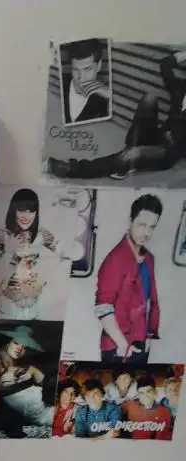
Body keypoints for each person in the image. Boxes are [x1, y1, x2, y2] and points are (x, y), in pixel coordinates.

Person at [49, 49, 186, 180]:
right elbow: (166, 64)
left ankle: (72, 168)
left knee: (134, 154)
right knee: (150, 98)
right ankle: (128, 155)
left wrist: (175, 139)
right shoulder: (180, 87)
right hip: (159, 134)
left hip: (167, 150)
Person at [95, 194, 161, 364]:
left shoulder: (149, 259)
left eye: (152, 227)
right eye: (142, 225)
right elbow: (103, 308)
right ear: (130, 221)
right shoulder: (115, 260)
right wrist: (123, 345)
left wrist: (149, 337)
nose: (147, 233)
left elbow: (150, 301)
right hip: (118, 348)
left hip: (141, 343)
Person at [0, 188, 63, 321]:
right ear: (13, 210)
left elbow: (59, 262)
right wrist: (9, 251)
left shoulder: (44, 236)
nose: (26, 216)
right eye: (21, 210)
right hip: (8, 307)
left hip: (35, 306)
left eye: (31, 211)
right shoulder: (2, 235)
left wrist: (39, 258)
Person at [0, 325, 54, 428]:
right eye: (16, 343)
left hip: (46, 408)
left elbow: (49, 389)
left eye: (24, 347)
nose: (20, 348)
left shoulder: (28, 368)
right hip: (37, 415)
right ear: (8, 344)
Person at [61, 38, 111, 125]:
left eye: (87, 69)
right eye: (76, 69)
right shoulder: (57, 84)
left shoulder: (106, 99)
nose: (81, 78)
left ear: (99, 65)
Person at [122, 375, 173, 440]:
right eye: (141, 393)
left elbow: (161, 439)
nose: (145, 396)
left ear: (155, 392)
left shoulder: (165, 412)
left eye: (149, 391)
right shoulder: (129, 405)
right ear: (138, 395)